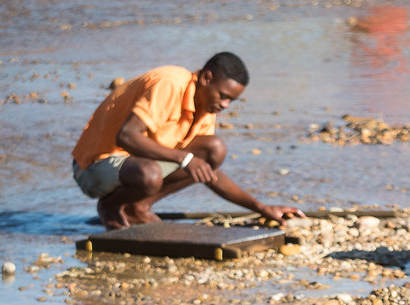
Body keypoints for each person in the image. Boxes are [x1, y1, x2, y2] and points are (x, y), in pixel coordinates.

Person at [72, 52, 305, 230]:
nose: (225, 105)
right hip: (94, 168)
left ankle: (137, 207)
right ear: (206, 78)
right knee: (150, 174)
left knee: (214, 149)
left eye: (231, 101)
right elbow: (127, 136)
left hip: (137, 166)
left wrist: (260, 208)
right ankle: (111, 206)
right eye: (223, 96)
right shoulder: (170, 82)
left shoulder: (205, 109)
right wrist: (184, 158)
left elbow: (205, 170)